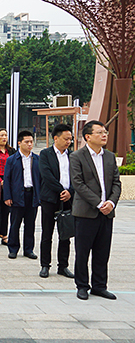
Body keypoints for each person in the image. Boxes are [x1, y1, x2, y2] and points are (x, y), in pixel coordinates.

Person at [70, 120, 121, 300]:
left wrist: (111, 203)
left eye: (105, 131)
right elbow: (78, 184)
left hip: (107, 213)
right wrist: (99, 203)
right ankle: (82, 285)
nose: (104, 134)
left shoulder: (109, 156)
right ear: (88, 137)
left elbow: (116, 183)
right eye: (100, 132)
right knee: (83, 251)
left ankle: (99, 286)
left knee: (102, 251)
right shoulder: (77, 156)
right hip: (86, 212)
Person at [38, 124, 75, 279]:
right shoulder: (45, 154)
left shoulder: (73, 156)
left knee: (65, 234)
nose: (68, 142)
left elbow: (78, 177)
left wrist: (70, 192)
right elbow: (46, 176)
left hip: (68, 199)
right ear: (56, 138)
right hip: (50, 199)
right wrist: (61, 190)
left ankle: (63, 266)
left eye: (70, 139)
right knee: (47, 233)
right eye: (66, 139)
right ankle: (45, 265)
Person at [3, 130, 40, 260]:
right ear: (19, 143)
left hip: (32, 195)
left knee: (30, 224)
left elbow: (40, 178)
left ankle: (28, 249)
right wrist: (7, 196)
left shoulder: (36, 159)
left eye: (31, 142)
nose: (30, 144)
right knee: (15, 223)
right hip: (17, 195)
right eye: (27, 142)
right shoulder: (12, 159)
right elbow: (7, 179)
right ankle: (13, 248)